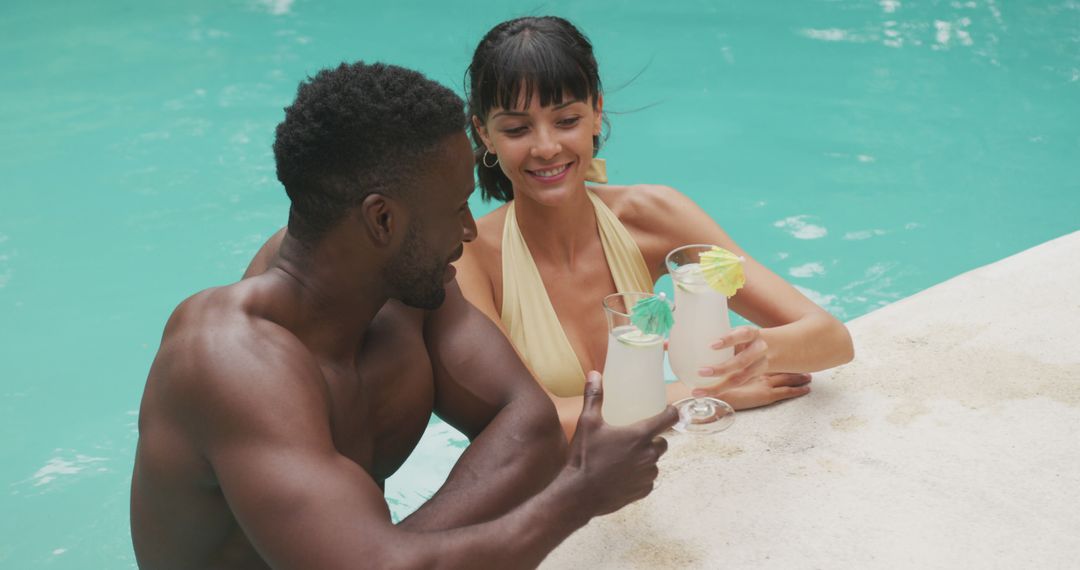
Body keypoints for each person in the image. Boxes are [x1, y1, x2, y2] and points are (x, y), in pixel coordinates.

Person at [130, 61, 677, 570]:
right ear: (383, 220)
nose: (468, 231)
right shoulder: (229, 361)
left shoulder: (404, 283)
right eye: (456, 208)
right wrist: (576, 496)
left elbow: (528, 426)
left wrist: (394, 552)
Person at [455, 16, 855, 438]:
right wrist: (690, 394)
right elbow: (525, 425)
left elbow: (833, 339)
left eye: (567, 120)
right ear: (485, 133)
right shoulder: (472, 258)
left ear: (596, 112)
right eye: (517, 129)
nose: (546, 147)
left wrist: (755, 355)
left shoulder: (651, 214)